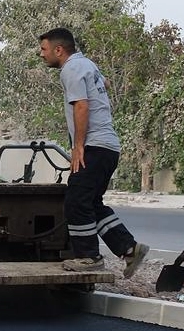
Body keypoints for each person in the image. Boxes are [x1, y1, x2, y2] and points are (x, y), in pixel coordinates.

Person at [38, 28, 148, 276]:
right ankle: (129, 249)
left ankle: (89, 257)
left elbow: (82, 106)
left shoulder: (71, 69)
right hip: (107, 147)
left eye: (44, 49)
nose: (41, 54)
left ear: (59, 50)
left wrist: (78, 146)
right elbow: (105, 84)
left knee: (76, 202)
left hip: (94, 147)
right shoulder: (87, 65)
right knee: (91, 202)